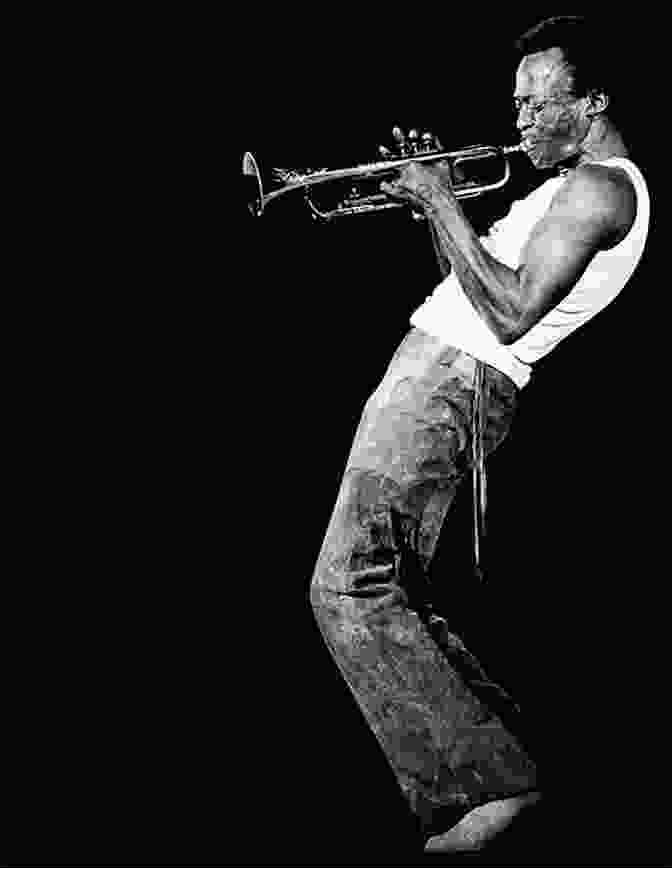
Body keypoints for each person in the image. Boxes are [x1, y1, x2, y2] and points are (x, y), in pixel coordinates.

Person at [308, 15, 649, 854]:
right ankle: (500, 763)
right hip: (440, 369)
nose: (521, 121)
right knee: (397, 588)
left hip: (454, 380)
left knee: (348, 583)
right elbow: (473, 290)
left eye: (539, 103)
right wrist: (437, 214)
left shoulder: (603, 189)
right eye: (516, 103)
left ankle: (490, 784)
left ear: (595, 100)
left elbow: (509, 313)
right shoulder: (563, 186)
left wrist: (440, 198)